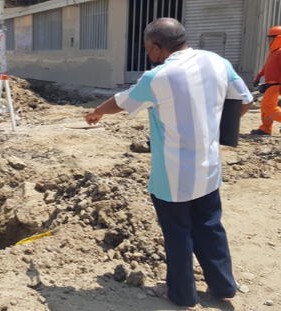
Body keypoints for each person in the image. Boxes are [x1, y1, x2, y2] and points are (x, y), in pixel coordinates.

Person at [85, 18, 253, 309]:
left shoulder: (158, 77)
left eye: (148, 49)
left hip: (172, 178)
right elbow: (245, 100)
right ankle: (224, 285)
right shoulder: (218, 62)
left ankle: (181, 295)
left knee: (178, 234)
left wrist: (97, 112)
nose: (148, 54)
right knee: (210, 226)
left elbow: (123, 102)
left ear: (157, 47)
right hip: (209, 169)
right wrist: (212, 128)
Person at [251, 25, 281, 135]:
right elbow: (266, 66)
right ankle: (265, 129)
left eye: (271, 38)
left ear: (278, 38)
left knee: (268, 106)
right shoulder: (274, 52)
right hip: (269, 83)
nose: (269, 40)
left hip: (276, 84)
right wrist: (258, 77)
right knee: (265, 106)